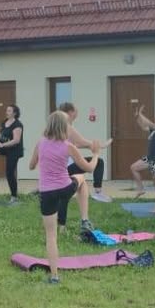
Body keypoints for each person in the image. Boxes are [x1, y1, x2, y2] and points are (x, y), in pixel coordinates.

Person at [29, 111, 100, 284]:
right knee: (81, 178)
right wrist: (96, 154)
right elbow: (90, 168)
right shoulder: (68, 146)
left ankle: (54, 276)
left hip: (47, 193)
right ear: (64, 127)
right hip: (65, 188)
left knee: (51, 236)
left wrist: (42, 159)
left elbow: (31, 166)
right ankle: (84, 219)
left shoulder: (40, 143)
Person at [58, 102, 112, 204]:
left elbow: (76, 144)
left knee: (94, 163)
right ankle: (98, 193)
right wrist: (101, 145)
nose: (77, 112)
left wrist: (91, 146)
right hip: (65, 168)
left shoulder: (60, 126)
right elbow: (82, 142)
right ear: (70, 112)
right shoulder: (67, 127)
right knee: (98, 162)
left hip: (62, 167)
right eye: (76, 110)